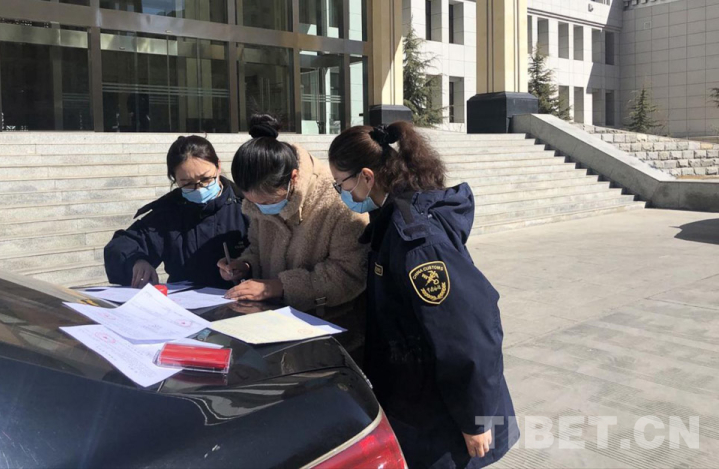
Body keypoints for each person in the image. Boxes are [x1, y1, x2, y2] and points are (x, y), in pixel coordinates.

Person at [327, 121, 520, 469]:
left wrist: (476, 418)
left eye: (341, 184)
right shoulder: (390, 222)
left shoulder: (417, 241)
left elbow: (467, 332)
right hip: (417, 402)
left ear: (367, 177)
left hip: (444, 417)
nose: (342, 193)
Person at [218, 114, 368, 319]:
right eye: (254, 203)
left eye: (268, 202)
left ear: (294, 178)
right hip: (271, 318)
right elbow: (257, 247)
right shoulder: (261, 197)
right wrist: (245, 265)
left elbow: (348, 275)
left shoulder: (339, 198)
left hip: (327, 323)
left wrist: (279, 286)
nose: (261, 209)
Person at [104, 135, 248, 289]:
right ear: (175, 179)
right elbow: (121, 246)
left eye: (206, 179)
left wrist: (246, 266)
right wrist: (136, 261)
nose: (199, 189)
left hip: (241, 299)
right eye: (187, 184)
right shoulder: (169, 211)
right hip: (183, 299)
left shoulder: (246, 205)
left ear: (218, 166)